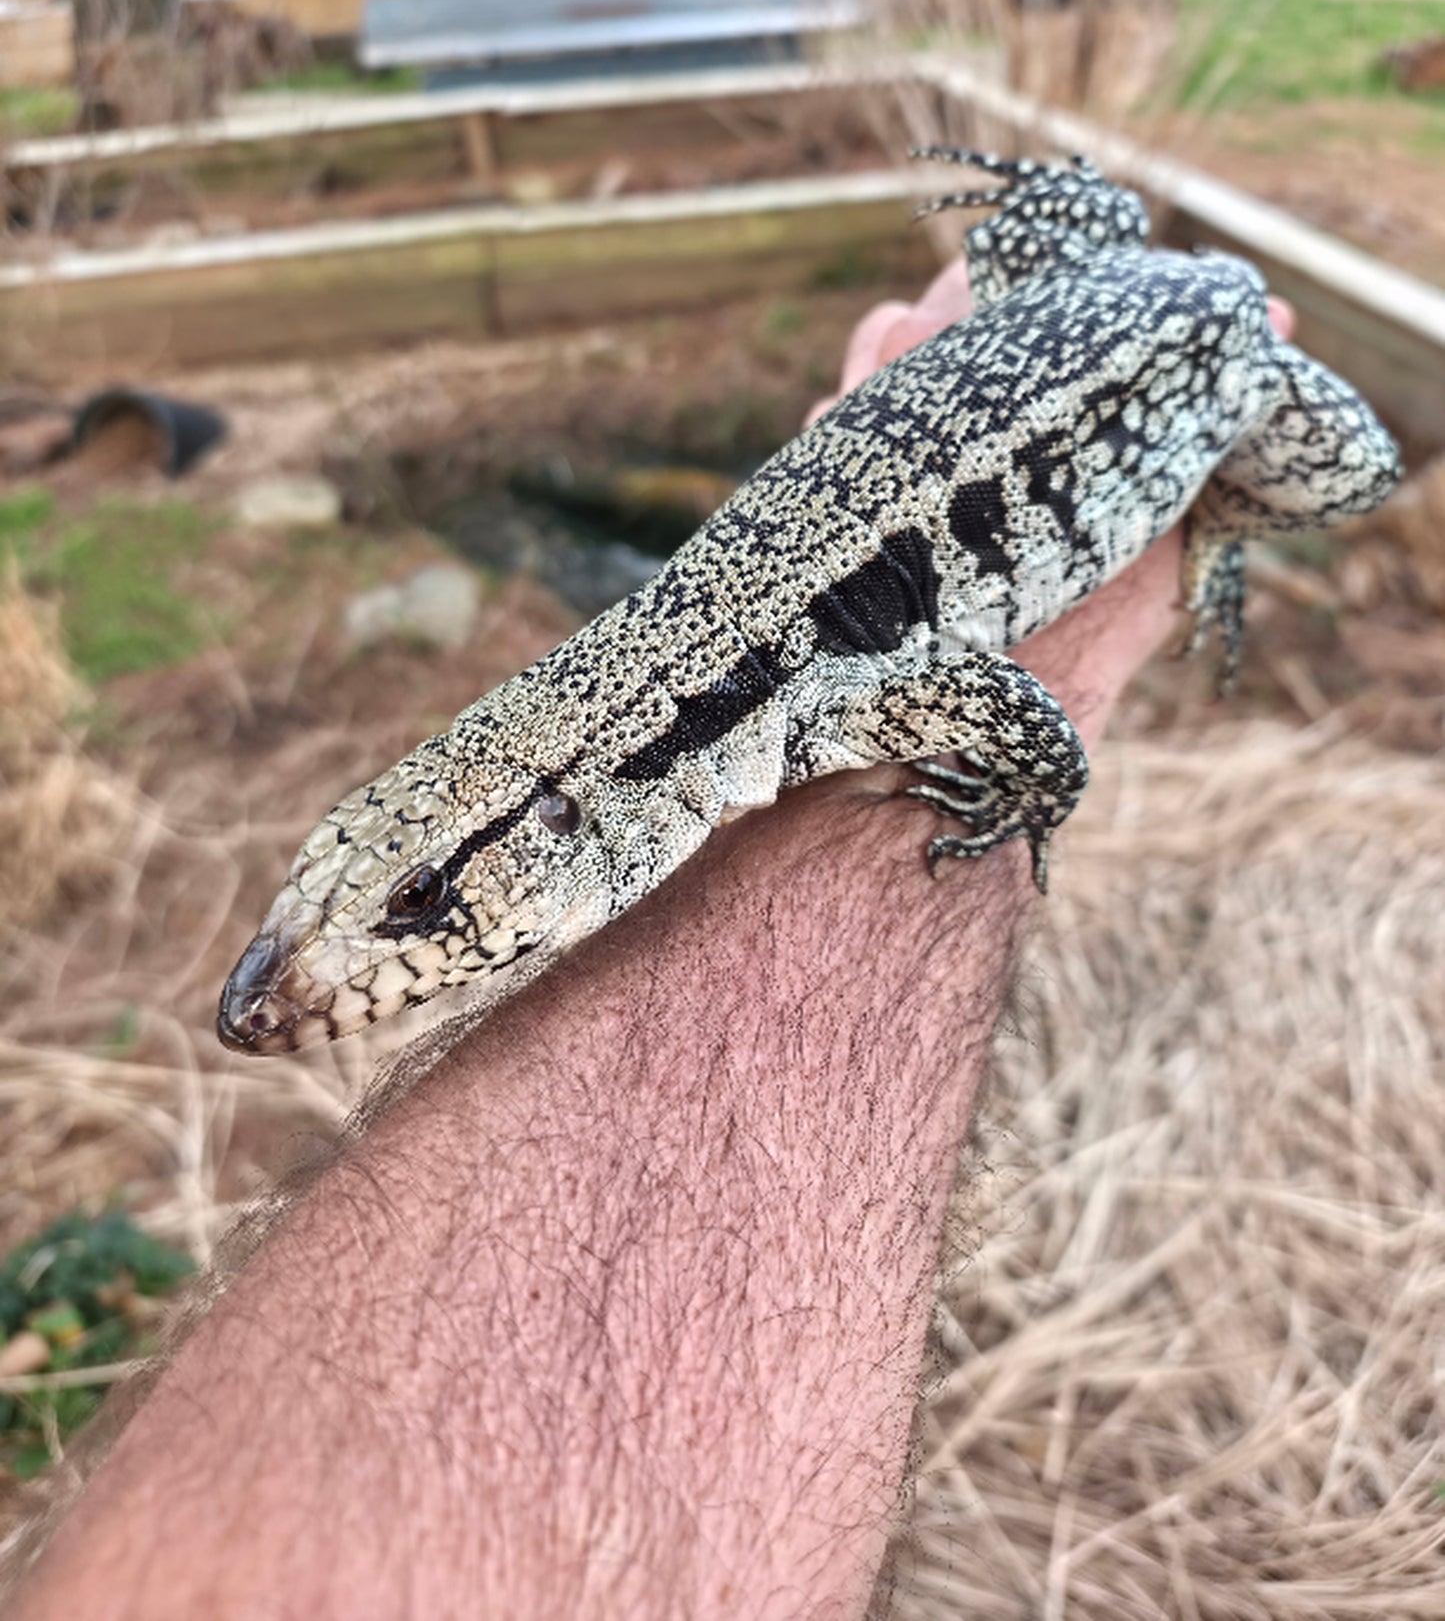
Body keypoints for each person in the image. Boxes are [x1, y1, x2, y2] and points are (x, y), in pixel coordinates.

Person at [10, 260, 1292, 1620]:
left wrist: (1205, 519)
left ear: (564, 818)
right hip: (1097, 333)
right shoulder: (746, 712)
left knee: (1340, 464)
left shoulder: (828, 696)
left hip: (1191, 341)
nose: (291, 1000)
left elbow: (1036, 742)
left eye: (424, 909)